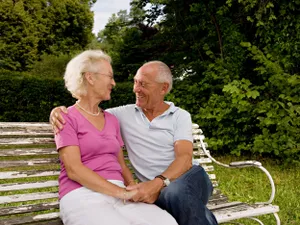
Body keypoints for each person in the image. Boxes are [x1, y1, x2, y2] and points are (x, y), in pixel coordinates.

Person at [51, 59, 218, 225]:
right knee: (170, 200)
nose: (136, 89)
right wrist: (57, 111)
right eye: (136, 82)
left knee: (175, 192)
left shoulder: (180, 116)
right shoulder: (120, 115)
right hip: (145, 190)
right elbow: (87, 113)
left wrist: (157, 183)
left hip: (188, 177)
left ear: (164, 88)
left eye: (143, 84)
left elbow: (184, 159)